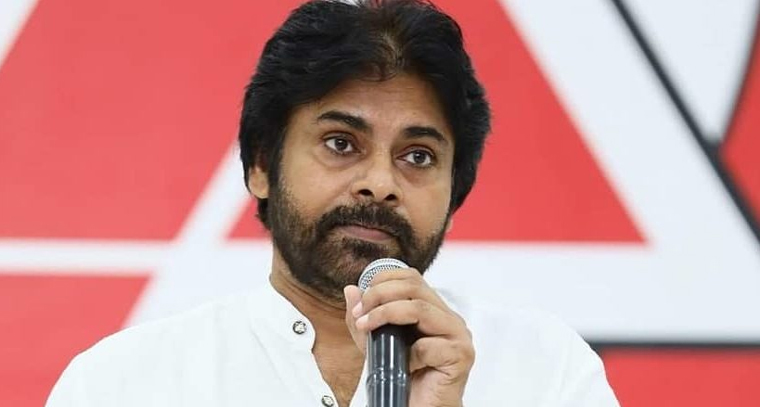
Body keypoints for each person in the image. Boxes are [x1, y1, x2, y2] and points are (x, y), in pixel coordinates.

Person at [46, 1, 620, 406]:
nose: (380, 183)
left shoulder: (546, 373)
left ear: (454, 192)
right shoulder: (125, 384)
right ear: (262, 165)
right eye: (341, 144)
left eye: (418, 156)